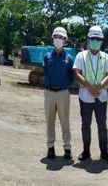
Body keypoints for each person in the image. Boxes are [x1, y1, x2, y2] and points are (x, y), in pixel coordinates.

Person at [73, 26, 108, 162]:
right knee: (86, 125)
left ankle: (104, 153)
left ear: (102, 41)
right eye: (93, 39)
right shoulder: (81, 55)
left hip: (101, 97)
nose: (95, 41)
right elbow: (77, 73)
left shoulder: (106, 57)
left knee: (102, 125)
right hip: (85, 96)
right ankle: (86, 152)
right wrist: (90, 87)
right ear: (88, 40)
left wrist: (98, 87)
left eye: (98, 39)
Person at [43, 27, 74, 160]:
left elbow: (71, 76)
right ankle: (50, 147)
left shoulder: (69, 58)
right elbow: (45, 73)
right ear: (53, 38)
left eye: (61, 37)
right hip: (49, 92)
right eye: (56, 37)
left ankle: (67, 148)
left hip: (63, 92)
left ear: (65, 40)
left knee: (64, 121)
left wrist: (64, 85)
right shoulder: (47, 57)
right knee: (49, 121)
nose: (58, 39)